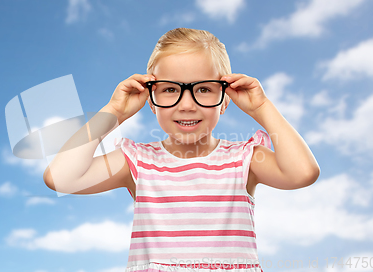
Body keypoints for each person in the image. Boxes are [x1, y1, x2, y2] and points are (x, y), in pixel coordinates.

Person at [44, 27, 320, 272]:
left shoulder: (244, 159)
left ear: (225, 99)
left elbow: (302, 173)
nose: (186, 104)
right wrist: (113, 112)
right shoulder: (138, 162)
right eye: (169, 90)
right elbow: (62, 178)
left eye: (203, 90)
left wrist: (261, 108)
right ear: (150, 101)